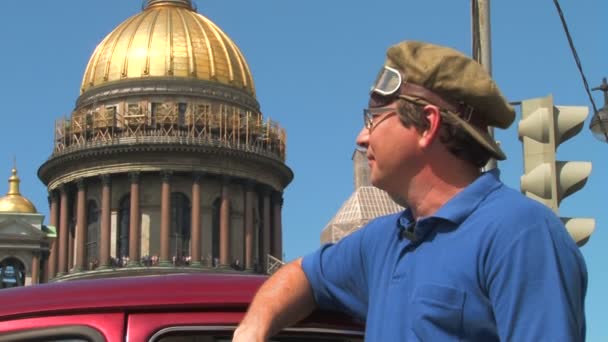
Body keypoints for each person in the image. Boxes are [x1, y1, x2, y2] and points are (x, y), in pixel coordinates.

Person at [233, 41, 587, 341]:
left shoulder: (520, 234)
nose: (362, 136)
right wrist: (253, 327)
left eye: (374, 118)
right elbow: (303, 276)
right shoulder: (383, 241)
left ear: (427, 125)